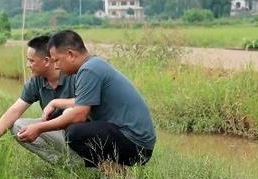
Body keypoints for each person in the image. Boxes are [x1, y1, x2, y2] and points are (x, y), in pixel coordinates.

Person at [17, 30, 156, 167]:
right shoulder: (92, 65)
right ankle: (111, 170)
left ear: (70, 54)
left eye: (57, 60)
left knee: (75, 132)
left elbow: (79, 115)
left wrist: (39, 128)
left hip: (137, 146)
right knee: (65, 118)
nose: (56, 66)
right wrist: (55, 102)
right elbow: (85, 100)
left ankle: (115, 177)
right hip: (132, 140)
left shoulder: (89, 70)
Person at [0, 35, 78, 164]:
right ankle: (63, 164)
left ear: (47, 61)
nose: (28, 65)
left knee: (69, 113)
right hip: (57, 130)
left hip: (80, 133)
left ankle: (83, 160)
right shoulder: (36, 81)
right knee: (19, 126)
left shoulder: (74, 75)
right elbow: (15, 110)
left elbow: (88, 104)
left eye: (31, 61)